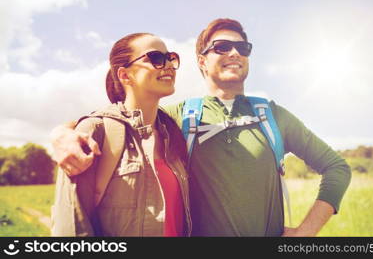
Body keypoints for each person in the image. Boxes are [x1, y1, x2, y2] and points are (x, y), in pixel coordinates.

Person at [50, 18, 351, 237]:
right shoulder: (178, 116)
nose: (235, 53)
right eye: (222, 47)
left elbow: (337, 167)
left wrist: (305, 233)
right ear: (202, 61)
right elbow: (123, 120)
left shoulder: (273, 116)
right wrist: (62, 132)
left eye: (242, 47)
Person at [51, 33, 192, 237]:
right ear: (125, 75)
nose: (169, 64)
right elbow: (71, 230)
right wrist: (61, 132)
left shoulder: (174, 132)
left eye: (170, 57)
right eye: (156, 58)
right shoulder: (93, 133)